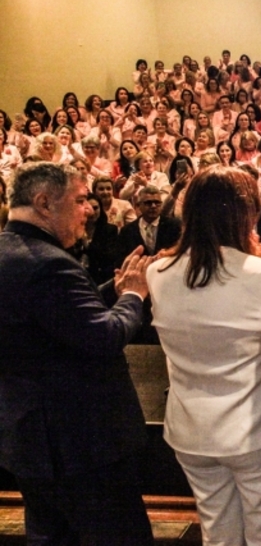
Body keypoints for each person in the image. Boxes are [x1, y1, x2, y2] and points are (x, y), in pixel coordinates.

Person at [148, 166, 261, 545]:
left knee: (219, 534)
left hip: (192, 429)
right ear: (246, 215)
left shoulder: (158, 271)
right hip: (255, 430)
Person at [0, 162, 154, 544]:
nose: (89, 210)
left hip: (32, 442)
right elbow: (103, 336)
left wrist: (111, 291)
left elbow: (56, 320)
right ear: (44, 202)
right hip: (83, 445)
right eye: (81, 200)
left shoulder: (11, 252)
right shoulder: (50, 264)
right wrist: (134, 295)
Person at [115, 185, 183, 265]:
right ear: (138, 205)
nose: (153, 206)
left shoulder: (175, 226)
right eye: (148, 203)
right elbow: (121, 259)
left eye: (157, 202)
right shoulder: (127, 231)